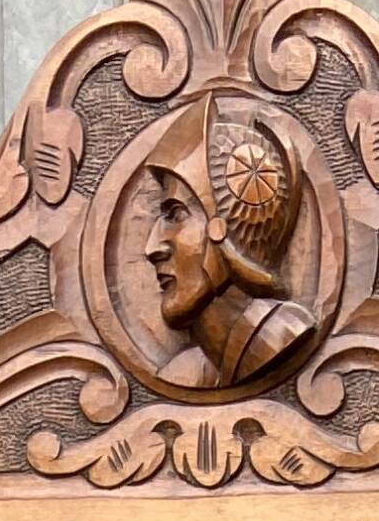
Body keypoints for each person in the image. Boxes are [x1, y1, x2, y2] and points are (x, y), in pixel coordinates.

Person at [135, 99, 315, 387]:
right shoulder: (193, 372)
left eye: (175, 213)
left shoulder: (277, 337)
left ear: (224, 229)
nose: (152, 247)